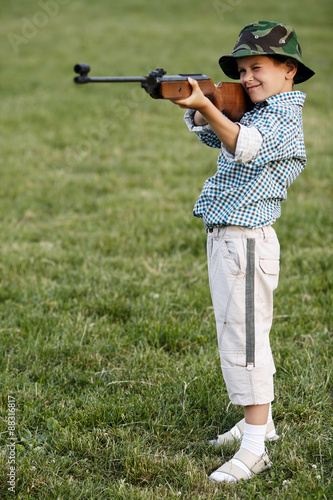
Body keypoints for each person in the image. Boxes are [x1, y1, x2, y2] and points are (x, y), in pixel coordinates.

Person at [172, 21, 314, 482]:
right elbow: (216, 135)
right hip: (227, 239)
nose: (247, 77)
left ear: (288, 70)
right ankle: (262, 423)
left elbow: (242, 143)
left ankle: (256, 449)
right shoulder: (254, 110)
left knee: (246, 343)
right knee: (235, 333)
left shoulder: (281, 119)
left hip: (247, 242)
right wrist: (197, 106)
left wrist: (206, 109)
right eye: (241, 69)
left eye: (257, 68)